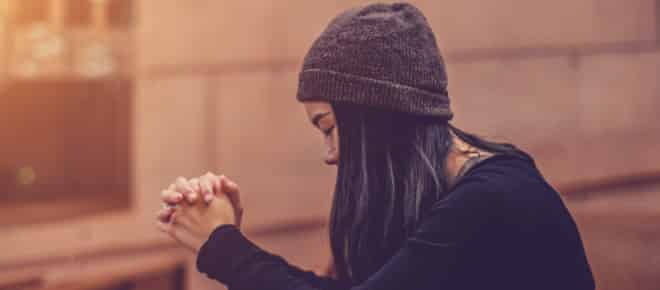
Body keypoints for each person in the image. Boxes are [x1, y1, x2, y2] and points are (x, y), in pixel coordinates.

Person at [155, 3, 595, 290]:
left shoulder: (492, 201)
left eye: (328, 127)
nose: (330, 153)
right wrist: (229, 239)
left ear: (374, 116)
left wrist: (224, 245)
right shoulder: (452, 191)